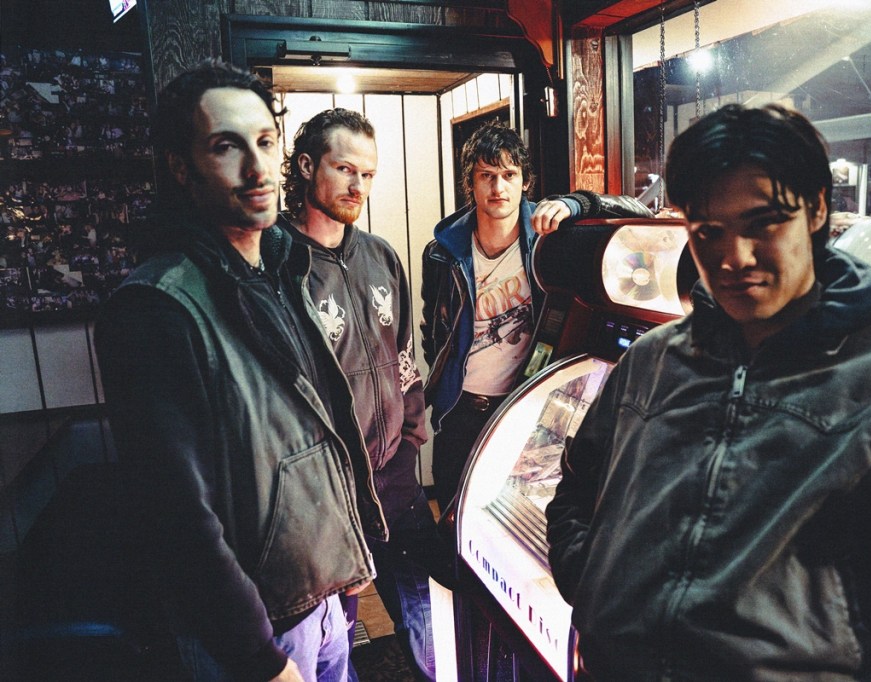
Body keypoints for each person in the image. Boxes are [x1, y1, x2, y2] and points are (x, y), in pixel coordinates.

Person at [546, 103, 871, 680]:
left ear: (817, 209)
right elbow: (576, 490)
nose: (735, 257)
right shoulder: (652, 358)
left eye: (763, 223)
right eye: (709, 231)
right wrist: (595, 585)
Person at [95, 60, 382, 682]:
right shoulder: (156, 306)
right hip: (255, 632)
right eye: (226, 146)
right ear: (182, 166)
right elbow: (177, 516)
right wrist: (258, 658)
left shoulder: (280, 267)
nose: (257, 169)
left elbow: (308, 434)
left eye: (265, 141)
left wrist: (345, 559)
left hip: (321, 599)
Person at [280, 107, 446, 681]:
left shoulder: (380, 256)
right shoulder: (277, 264)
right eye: (345, 169)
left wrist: (411, 438)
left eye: (368, 174)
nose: (359, 186)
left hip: (395, 474)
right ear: (307, 166)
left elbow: (405, 360)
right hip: (328, 495)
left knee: (426, 613)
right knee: (336, 633)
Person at [420, 122, 653, 510]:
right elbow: (434, 330)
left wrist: (576, 204)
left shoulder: (550, 238)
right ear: (470, 184)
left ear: (525, 181)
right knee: (452, 515)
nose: (498, 187)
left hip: (528, 405)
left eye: (509, 175)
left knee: (516, 517)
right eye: (486, 176)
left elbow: (640, 211)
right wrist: (443, 392)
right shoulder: (441, 253)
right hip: (460, 410)